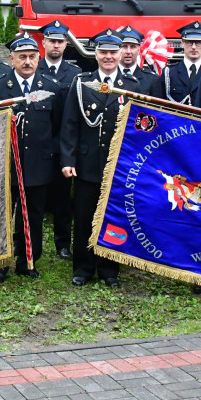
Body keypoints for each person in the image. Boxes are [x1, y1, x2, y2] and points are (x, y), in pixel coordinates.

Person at [60, 29, 140, 288]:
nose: (108, 56)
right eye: (103, 52)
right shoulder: (82, 84)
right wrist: (68, 160)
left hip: (119, 166)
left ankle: (109, 270)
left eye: (112, 52)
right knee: (84, 217)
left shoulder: (132, 87)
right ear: (95, 54)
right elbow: (70, 124)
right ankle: (83, 268)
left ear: (120, 54)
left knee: (113, 217)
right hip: (87, 164)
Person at [0, 33, 63, 282]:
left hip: (38, 164)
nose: (27, 62)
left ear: (39, 58)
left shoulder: (51, 87)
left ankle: (28, 261)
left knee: (33, 214)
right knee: (2, 215)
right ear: (11, 59)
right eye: (22, 57)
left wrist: (51, 155)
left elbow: (58, 127)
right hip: (4, 164)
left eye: (31, 56)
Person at [40, 20, 81, 260]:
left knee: (63, 199)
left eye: (60, 41)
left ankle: (63, 243)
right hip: (38, 144)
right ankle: (25, 240)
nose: (56, 45)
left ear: (66, 44)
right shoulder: (33, 67)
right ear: (43, 42)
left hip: (63, 146)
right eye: (52, 41)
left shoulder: (75, 74)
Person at [163, 21, 201, 105]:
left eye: (198, 43)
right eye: (189, 42)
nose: (194, 47)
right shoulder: (169, 73)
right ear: (182, 43)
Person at [117, 25, 162, 97]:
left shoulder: (152, 80)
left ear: (139, 50)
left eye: (133, 47)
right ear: (117, 49)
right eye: (124, 46)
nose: (128, 51)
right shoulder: (109, 76)